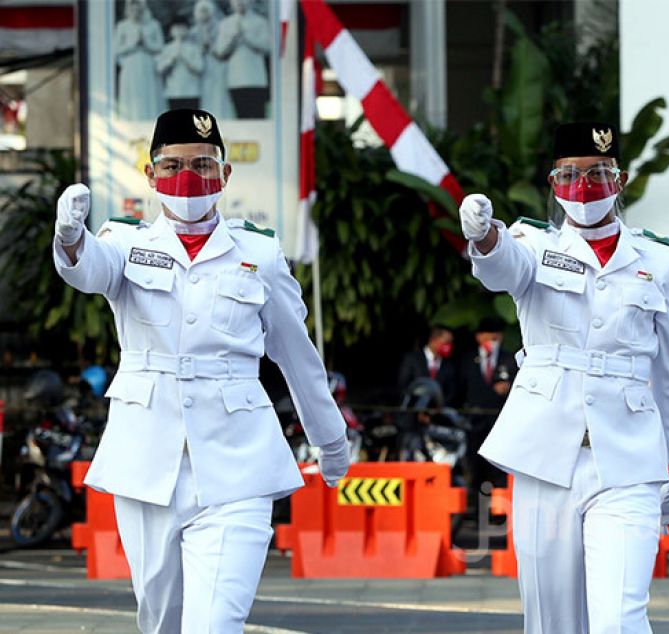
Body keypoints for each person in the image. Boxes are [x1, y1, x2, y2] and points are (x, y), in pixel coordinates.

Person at [52, 108, 350, 633]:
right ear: (149, 175)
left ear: (226, 175)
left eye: (204, 165)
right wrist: (71, 238)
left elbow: (297, 356)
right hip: (149, 461)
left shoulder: (259, 252)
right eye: (171, 166)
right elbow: (91, 269)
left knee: (213, 625)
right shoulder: (126, 242)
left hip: (238, 461)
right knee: (161, 620)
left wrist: (330, 441)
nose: (187, 177)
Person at [460, 121, 669, 632]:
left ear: (621, 179)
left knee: (619, 619)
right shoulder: (531, 242)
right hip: (548, 454)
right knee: (553, 622)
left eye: (598, 174)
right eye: (570, 174)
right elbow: (503, 268)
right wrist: (484, 238)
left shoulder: (659, 259)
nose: (584, 187)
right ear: (552, 181)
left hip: (628, 457)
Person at [459, 316, 518, 499]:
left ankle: (498, 513)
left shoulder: (509, 359)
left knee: (499, 469)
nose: (492, 342)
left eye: (496, 338)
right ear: (479, 337)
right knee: (475, 467)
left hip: (500, 422)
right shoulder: (468, 360)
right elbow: (460, 389)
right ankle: (476, 511)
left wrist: (507, 389)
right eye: (488, 337)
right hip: (474, 422)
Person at [213, 0, 271, 119]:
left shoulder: (260, 22)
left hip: (256, 79)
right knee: (241, 116)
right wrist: (234, 39)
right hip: (235, 80)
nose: (239, 3)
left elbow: (267, 46)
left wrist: (247, 37)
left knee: (257, 116)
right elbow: (220, 51)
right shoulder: (226, 23)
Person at [115, 0, 165, 120]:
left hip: (148, 64)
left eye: (138, 8)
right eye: (132, 9)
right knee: (132, 95)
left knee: (149, 93)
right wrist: (132, 44)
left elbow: (160, 47)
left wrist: (146, 44)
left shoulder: (153, 24)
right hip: (130, 65)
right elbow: (116, 49)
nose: (135, 11)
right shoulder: (122, 26)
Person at [191, 0, 234, 120]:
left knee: (219, 92)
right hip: (201, 66)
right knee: (206, 93)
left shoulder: (220, 26)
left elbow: (223, 47)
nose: (204, 14)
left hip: (217, 63)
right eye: (201, 11)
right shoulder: (194, 31)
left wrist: (210, 45)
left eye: (206, 11)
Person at [397, 325, 459, 404]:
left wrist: (436, 409)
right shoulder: (411, 359)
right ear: (433, 340)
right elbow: (403, 386)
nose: (449, 346)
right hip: (412, 411)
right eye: (446, 342)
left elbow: (451, 392)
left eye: (451, 342)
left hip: (437, 413)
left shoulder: (449, 366)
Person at [157, 24, 204, 111]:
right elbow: (160, 70)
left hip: (192, 92)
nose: (179, 31)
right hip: (173, 92)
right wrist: (172, 60)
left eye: (182, 28)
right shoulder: (166, 48)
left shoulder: (194, 48)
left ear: (187, 30)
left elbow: (199, 69)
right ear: (171, 31)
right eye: (176, 28)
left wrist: (185, 59)